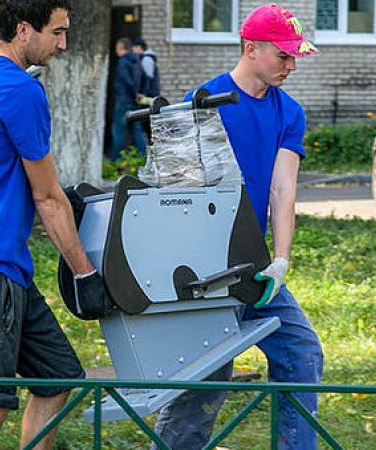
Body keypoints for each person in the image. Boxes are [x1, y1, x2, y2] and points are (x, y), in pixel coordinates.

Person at [0, 0, 108, 448]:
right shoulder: (20, 90)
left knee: (57, 376)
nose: (63, 44)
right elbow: (47, 197)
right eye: (57, 32)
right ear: (24, 29)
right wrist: (84, 272)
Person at [151, 4, 323, 450]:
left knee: (302, 353)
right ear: (251, 48)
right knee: (208, 374)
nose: (291, 65)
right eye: (282, 56)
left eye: (294, 57)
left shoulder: (290, 112)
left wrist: (280, 259)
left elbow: (283, 190)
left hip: (254, 266)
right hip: (205, 269)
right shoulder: (204, 101)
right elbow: (175, 193)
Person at [110, 37, 147, 159]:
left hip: (124, 98)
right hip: (134, 100)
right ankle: (143, 156)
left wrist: (133, 93)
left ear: (120, 47)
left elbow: (126, 80)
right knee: (136, 127)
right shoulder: (136, 61)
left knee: (118, 128)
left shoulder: (123, 62)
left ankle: (116, 158)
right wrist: (138, 94)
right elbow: (143, 78)